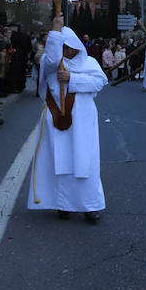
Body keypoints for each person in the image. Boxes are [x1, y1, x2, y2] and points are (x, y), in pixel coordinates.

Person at [27, 16, 108, 223]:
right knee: (59, 162)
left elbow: (99, 82)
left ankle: (90, 205)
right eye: (64, 47)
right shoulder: (51, 63)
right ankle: (62, 204)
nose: (69, 51)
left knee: (85, 162)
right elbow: (53, 58)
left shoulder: (89, 62)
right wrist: (55, 30)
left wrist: (73, 78)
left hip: (83, 119)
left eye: (71, 47)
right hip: (57, 119)